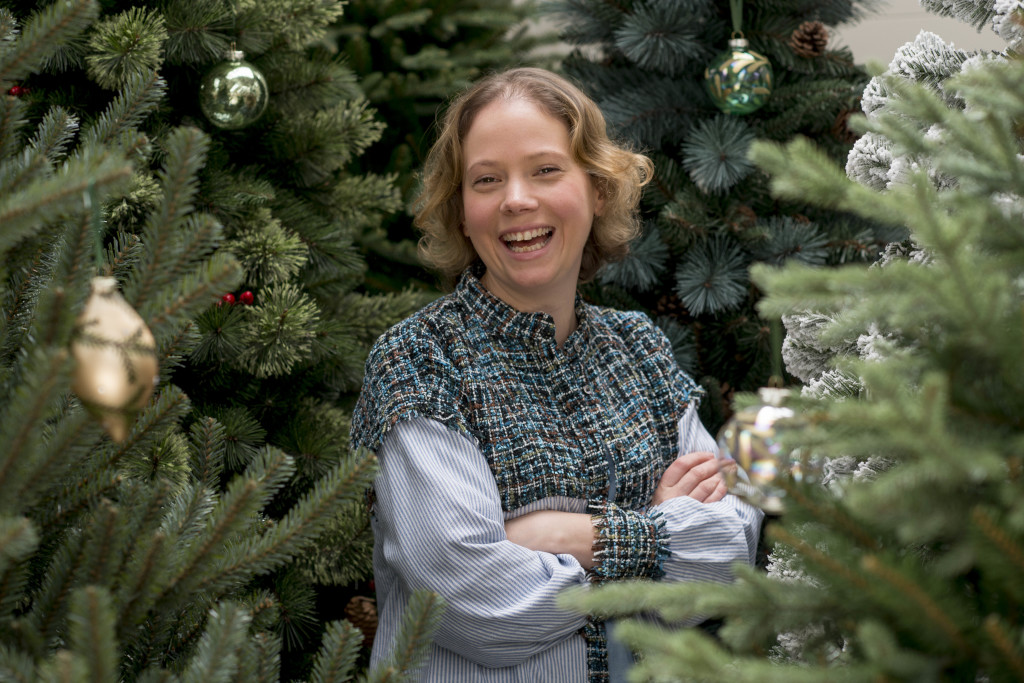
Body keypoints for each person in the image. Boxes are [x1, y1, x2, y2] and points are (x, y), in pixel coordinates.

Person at [349, 67, 764, 682]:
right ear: (462, 212)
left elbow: (727, 552)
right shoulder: (420, 361)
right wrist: (654, 538)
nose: (516, 199)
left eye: (546, 169)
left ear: (597, 190)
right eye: (487, 180)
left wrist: (559, 535)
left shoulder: (637, 351)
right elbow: (475, 605)